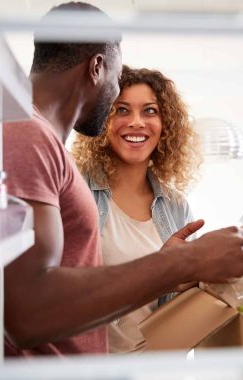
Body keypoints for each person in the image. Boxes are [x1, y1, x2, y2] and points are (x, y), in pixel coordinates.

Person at [3, 1, 243, 357]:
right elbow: (26, 314)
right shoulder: (27, 134)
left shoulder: (35, 137)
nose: (118, 107)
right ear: (97, 67)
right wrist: (186, 260)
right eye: (117, 87)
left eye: (149, 111)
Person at [71, 65, 202, 353]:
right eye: (121, 110)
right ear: (103, 119)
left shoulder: (176, 206)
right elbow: (61, 297)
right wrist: (161, 273)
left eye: (150, 111)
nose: (136, 122)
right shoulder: (75, 191)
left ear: (165, 123)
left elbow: (187, 302)